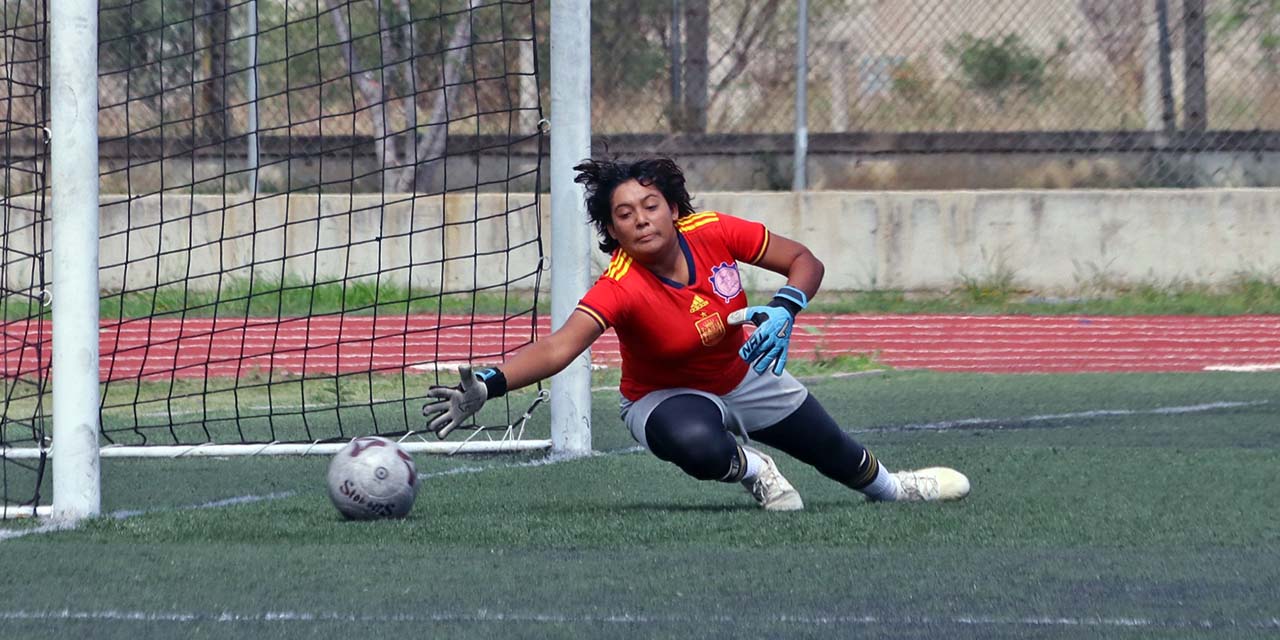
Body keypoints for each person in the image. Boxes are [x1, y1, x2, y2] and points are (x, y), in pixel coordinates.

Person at [422, 157, 969, 511]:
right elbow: (558, 347)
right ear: (611, 231)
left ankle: (896, 487)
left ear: (674, 209)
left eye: (650, 206)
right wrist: (489, 384)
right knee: (696, 445)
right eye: (624, 214)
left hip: (745, 374)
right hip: (663, 398)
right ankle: (754, 468)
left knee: (840, 456)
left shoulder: (714, 231)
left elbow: (804, 261)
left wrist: (785, 308)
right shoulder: (620, 286)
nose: (641, 219)